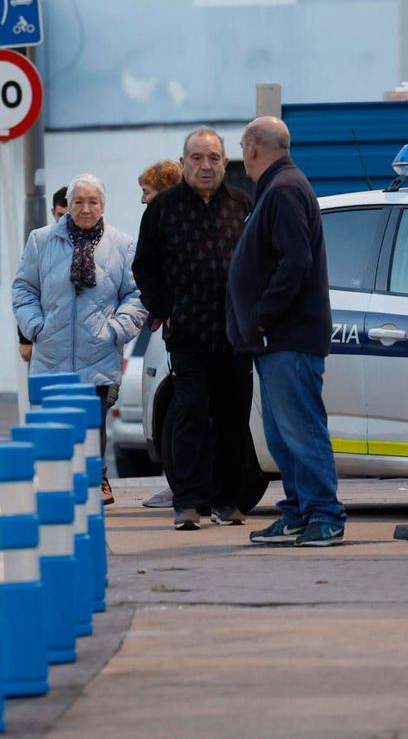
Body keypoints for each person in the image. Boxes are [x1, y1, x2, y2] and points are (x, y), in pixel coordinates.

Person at [227, 116, 345, 548]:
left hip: (287, 336)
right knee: (280, 433)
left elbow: (295, 261)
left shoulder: (285, 189)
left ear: (253, 148)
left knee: (300, 429)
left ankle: (325, 516)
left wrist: (261, 315)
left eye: (242, 147)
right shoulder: (278, 188)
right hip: (276, 339)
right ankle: (297, 513)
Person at [133, 129, 256, 530]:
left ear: (225, 162)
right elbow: (144, 268)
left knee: (233, 421)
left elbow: (259, 262)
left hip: (234, 335)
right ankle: (187, 502)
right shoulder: (163, 209)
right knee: (190, 417)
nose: (206, 165)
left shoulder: (241, 205)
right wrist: (166, 309)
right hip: (187, 335)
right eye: (197, 157)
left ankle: (227, 500)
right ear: (183, 162)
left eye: (214, 158)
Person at [13, 174, 146, 505]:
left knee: (93, 425)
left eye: (93, 202)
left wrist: (116, 329)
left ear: (103, 206)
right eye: (79, 202)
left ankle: (95, 479)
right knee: (53, 425)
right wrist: (35, 326)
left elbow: (135, 294)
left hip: (98, 350)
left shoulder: (121, 244)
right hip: (51, 350)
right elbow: (24, 288)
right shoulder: (41, 240)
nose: (86, 209)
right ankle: (54, 486)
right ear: (67, 206)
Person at [20, 188, 72, 364]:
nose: (64, 220)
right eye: (60, 214)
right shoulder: (40, 242)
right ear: (53, 212)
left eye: (69, 214)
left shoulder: (97, 242)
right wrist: (26, 337)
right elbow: (27, 290)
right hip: (48, 340)